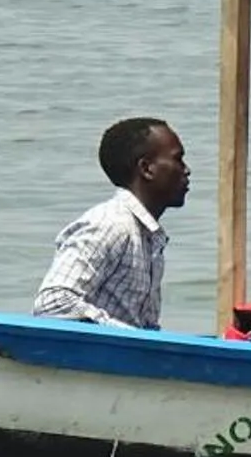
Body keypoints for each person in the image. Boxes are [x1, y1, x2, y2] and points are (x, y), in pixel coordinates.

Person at [32, 117, 190, 328]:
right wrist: (127, 335)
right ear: (146, 169)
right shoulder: (111, 225)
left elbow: (145, 327)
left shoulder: (149, 238)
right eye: (177, 160)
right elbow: (53, 303)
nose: (186, 170)